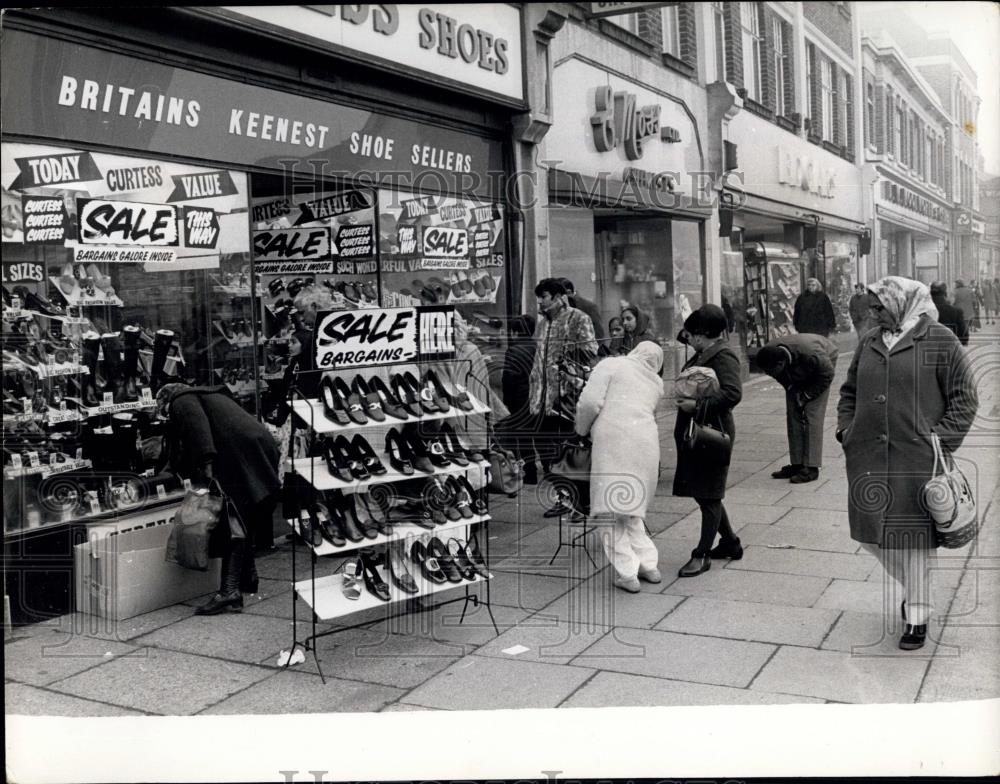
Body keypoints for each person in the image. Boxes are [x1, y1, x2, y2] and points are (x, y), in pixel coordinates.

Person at [837, 276, 977, 650]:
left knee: (915, 542)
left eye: (879, 306)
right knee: (872, 537)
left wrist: (939, 443)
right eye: (873, 307)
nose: (873, 313)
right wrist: (845, 430)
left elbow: (965, 397)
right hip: (867, 456)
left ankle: (917, 614)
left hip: (916, 460)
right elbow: (848, 391)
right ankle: (916, 589)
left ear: (903, 302)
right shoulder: (869, 341)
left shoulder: (939, 340)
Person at [157, 383, 281, 615]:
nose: (165, 415)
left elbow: (198, 432)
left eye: (163, 411)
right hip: (254, 449)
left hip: (240, 456)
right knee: (242, 517)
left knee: (231, 520)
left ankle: (229, 592)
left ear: (165, 401)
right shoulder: (206, 395)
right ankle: (247, 578)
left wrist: (207, 473)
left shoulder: (181, 400)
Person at [575, 342, 665, 592]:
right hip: (646, 441)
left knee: (608, 511)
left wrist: (581, 430)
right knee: (631, 509)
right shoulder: (656, 383)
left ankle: (627, 573)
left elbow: (589, 403)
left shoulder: (611, 364)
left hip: (613, 440)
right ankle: (649, 564)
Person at [672, 304, 744, 577]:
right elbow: (685, 337)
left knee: (709, 494)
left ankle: (701, 554)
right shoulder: (705, 350)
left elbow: (733, 394)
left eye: (691, 334)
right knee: (705, 492)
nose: (687, 338)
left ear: (702, 334)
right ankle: (730, 543)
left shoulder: (722, 355)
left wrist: (696, 405)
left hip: (712, 431)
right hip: (699, 430)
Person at [528, 278, 597, 475]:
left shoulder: (578, 318)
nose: (540, 302)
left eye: (544, 297)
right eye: (538, 298)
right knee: (544, 446)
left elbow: (590, 353)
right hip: (540, 398)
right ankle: (555, 482)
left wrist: (568, 366)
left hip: (564, 397)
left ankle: (566, 491)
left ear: (557, 297)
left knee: (565, 448)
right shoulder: (542, 324)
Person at [756, 333, 839, 484]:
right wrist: (793, 391)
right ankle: (797, 464)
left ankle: (812, 467)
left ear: (780, 364)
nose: (769, 375)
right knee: (793, 413)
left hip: (823, 366)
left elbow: (827, 374)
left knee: (812, 414)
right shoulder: (769, 354)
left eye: (770, 372)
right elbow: (782, 379)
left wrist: (807, 395)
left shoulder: (813, 354)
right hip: (797, 366)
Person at [497, 315, 538, 481]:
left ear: (514, 332)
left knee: (522, 437)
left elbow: (508, 379)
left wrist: (506, 402)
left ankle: (528, 472)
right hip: (536, 397)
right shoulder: (537, 347)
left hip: (519, 399)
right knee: (534, 434)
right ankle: (538, 470)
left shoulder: (513, 350)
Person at [929, 282, 969, 346]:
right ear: (945, 294)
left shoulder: (922, 312)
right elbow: (964, 338)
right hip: (949, 351)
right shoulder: (956, 312)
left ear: (930, 294)